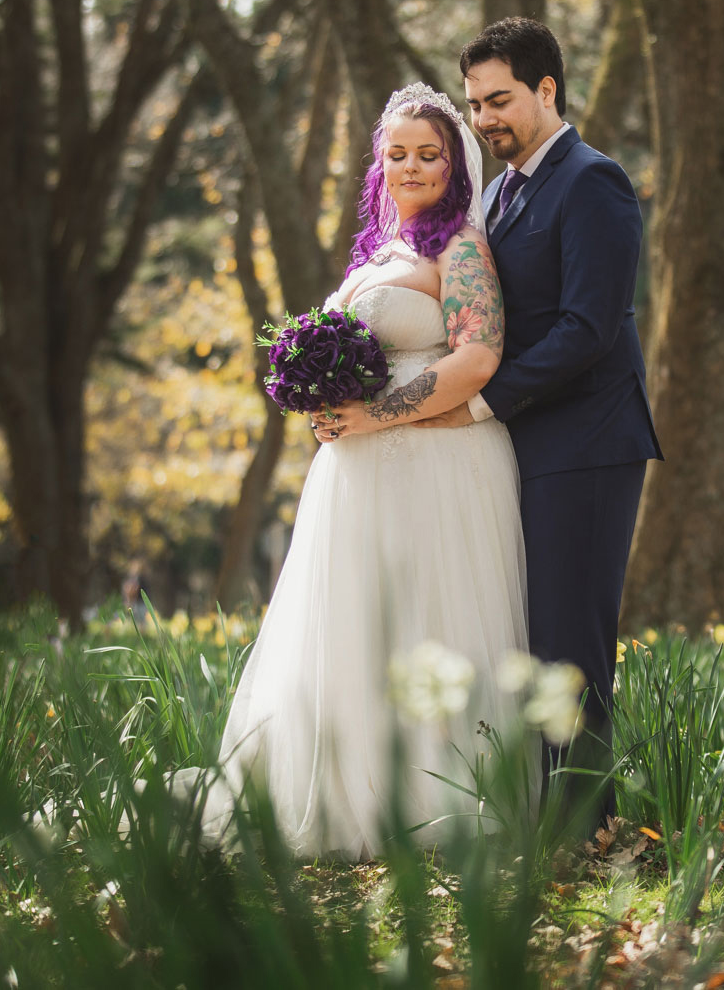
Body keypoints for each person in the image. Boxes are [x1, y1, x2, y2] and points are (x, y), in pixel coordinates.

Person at [202, 82, 528, 858]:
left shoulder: (464, 248)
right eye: (397, 155)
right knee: (357, 626)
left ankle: (431, 796)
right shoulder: (380, 253)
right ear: (379, 165)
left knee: (427, 613)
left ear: (455, 165)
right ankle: (352, 792)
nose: (412, 167)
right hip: (356, 474)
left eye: (429, 154)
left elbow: (479, 356)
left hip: (440, 464)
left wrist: (375, 414)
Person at [416, 17, 663, 828]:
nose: (484, 118)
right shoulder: (497, 192)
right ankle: (549, 813)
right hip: (526, 443)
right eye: (475, 103)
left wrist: (477, 400)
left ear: (546, 89)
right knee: (531, 636)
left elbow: (588, 328)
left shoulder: (594, 182)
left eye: (500, 99)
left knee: (571, 642)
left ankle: (586, 829)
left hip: (589, 444)